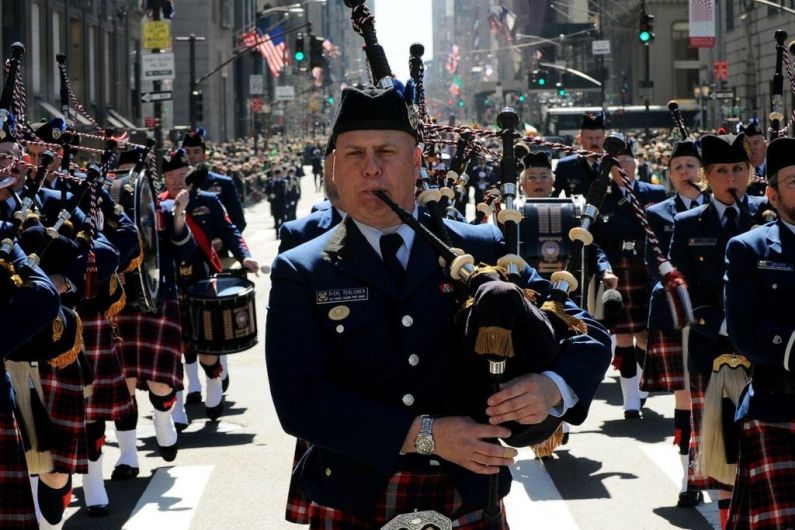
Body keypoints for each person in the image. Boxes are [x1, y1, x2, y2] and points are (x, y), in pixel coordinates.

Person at [265, 85, 612, 529]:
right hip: (354, 496)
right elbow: (299, 401)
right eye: (353, 154)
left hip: (468, 494)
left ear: (416, 161)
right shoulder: (302, 269)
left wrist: (552, 386)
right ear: (333, 167)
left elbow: (587, 333)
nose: (370, 169)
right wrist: (425, 436)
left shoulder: (479, 247)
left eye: (386, 152)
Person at [668, 132, 768, 528]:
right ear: (707, 176)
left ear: (751, 172)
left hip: (766, 351)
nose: (732, 177)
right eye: (722, 170)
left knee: (765, 448)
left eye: (738, 169)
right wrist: (722, 322)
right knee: (726, 451)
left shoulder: (767, 216)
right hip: (714, 349)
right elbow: (678, 284)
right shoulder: (689, 222)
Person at [111, 148, 198, 480]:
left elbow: (186, 250)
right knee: (124, 385)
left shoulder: (161, 209)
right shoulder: (105, 210)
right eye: (122, 176)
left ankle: (163, 421)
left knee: (162, 383)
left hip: (159, 299)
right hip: (121, 305)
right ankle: (128, 457)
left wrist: (179, 215)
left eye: (133, 176)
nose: (127, 184)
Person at [724, 136, 795, 529]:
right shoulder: (749, 248)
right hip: (777, 409)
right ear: (771, 193)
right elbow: (744, 331)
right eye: (794, 181)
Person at [163, 148, 258, 420]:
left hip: (201, 277)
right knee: (177, 344)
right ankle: (182, 400)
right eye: (171, 177)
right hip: (171, 280)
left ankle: (213, 383)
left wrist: (245, 256)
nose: (176, 182)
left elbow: (230, 231)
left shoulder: (208, 201)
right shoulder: (158, 204)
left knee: (206, 339)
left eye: (181, 175)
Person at [642, 140, 707, 507]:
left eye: (691, 166)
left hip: (717, 317)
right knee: (685, 398)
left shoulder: (722, 210)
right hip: (674, 313)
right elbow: (653, 264)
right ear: (668, 174)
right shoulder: (658, 214)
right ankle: (688, 478)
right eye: (678, 166)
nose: (686, 172)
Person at [591, 136, 666, 419]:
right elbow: (594, 241)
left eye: (627, 162)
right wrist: (603, 268)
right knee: (623, 337)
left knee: (647, 338)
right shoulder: (601, 197)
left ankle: (643, 385)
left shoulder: (654, 194)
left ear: (636, 165)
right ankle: (630, 400)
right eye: (617, 163)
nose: (623, 167)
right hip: (617, 273)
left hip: (647, 273)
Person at [182, 129, 247, 232]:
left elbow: (238, 221)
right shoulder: (175, 184)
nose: (191, 156)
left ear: (204, 156)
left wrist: (222, 241)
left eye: (196, 152)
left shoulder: (224, 183)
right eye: (187, 152)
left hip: (216, 245)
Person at [553, 112, 606, 197]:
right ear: (580, 140)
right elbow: (554, 197)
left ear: (605, 139)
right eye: (589, 138)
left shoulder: (612, 165)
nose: (594, 142)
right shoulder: (566, 166)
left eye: (598, 138)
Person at [738, 119, 767, 196]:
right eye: (748, 144)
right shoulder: (737, 174)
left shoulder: (774, 170)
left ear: (765, 146)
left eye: (756, 143)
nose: (752, 148)